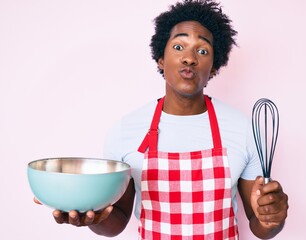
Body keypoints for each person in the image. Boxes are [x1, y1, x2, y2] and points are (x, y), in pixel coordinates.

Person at [35, 0, 289, 239]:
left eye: (202, 50)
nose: (189, 58)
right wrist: (93, 218)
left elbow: (260, 225)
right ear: (160, 58)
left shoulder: (243, 128)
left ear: (213, 67)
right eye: (178, 47)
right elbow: (116, 221)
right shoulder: (125, 130)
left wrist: (273, 218)